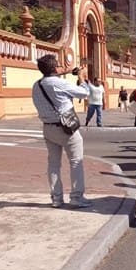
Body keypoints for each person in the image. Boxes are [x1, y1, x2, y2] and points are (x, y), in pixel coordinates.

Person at [31, 54, 92, 209]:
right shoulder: (60, 83)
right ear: (55, 68)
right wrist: (82, 78)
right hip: (66, 128)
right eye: (58, 65)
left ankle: (56, 198)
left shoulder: (37, 85)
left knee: (53, 164)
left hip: (48, 127)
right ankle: (77, 197)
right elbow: (84, 93)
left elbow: (51, 80)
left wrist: (66, 71)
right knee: (76, 161)